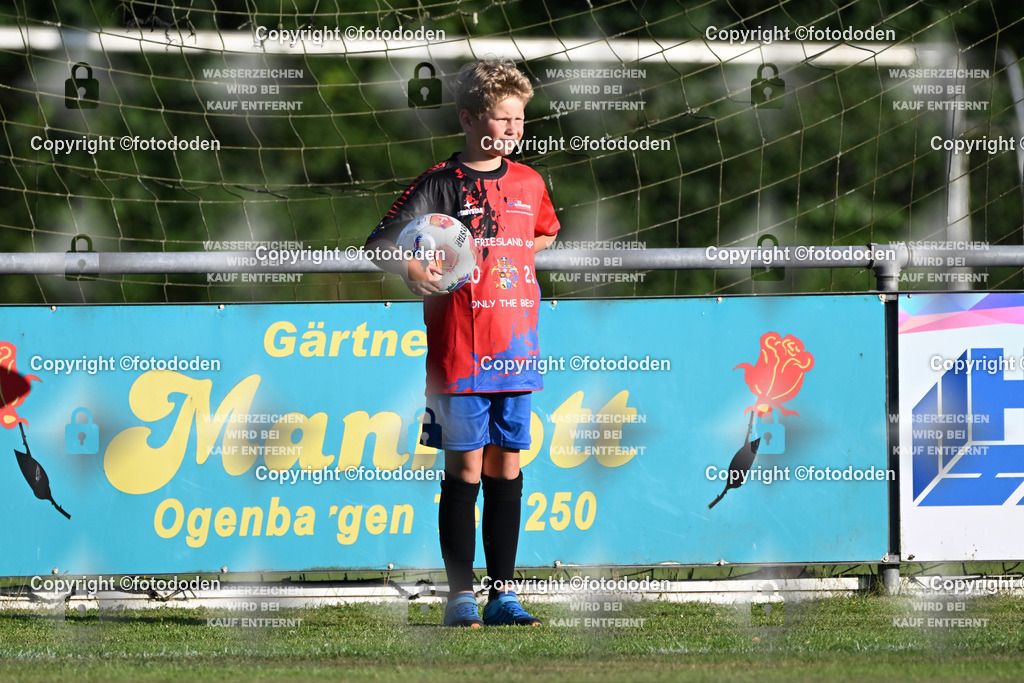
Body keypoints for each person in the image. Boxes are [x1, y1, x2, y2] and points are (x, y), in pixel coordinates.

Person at [364, 58, 559, 627]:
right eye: (501, 119)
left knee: (506, 468)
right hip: (460, 352)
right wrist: (413, 266)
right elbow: (378, 243)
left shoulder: (529, 182)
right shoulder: (439, 183)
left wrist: (505, 257)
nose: (513, 129)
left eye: (519, 119)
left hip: (516, 348)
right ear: (469, 119)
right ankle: (460, 598)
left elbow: (545, 233)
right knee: (466, 471)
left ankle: (504, 595)